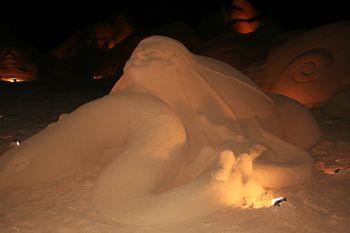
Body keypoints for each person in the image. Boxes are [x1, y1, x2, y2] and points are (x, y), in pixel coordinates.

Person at [0, 36, 321, 224]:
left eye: (156, 56)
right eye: (137, 54)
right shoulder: (127, 110)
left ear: (180, 70)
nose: (141, 58)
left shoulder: (173, 120)